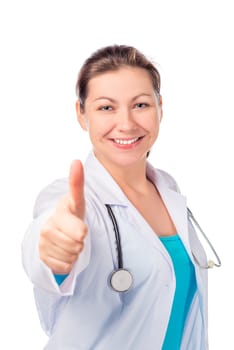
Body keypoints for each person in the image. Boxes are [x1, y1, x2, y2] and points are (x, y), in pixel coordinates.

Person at [22, 45, 209, 350]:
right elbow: (46, 240)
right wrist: (54, 249)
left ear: (160, 107)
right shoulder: (71, 199)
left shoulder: (169, 190)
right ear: (81, 114)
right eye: (106, 107)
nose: (126, 123)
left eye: (141, 105)